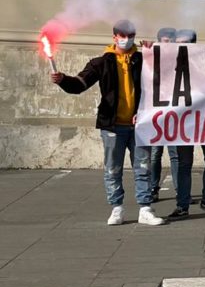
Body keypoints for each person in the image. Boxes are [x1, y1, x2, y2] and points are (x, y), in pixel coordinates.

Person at [51, 19, 165, 226]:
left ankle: (146, 209)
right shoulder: (101, 62)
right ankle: (117, 208)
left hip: (140, 125)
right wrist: (63, 80)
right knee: (113, 168)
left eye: (131, 36)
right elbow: (79, 84)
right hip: (112, 125)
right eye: (122, 36)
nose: (127, 40)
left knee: (143, 167)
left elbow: (166, 77)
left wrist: (155, 51)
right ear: (114, 37)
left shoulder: (143, 59)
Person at [166, 30, 205, 219]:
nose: (181, 46)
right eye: (178, 43)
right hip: (184, 122)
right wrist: (149, 51)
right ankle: (182, 204)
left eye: (185, 43)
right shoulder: (169, 63)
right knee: (184, 164)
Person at [147, 27, 177, 203]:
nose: (168, 45)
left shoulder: (180, 59)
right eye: (165, 41)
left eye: (171, 41)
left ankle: (181, 191)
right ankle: (152, 188)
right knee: (155, 154)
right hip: (156, 115)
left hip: (174, 115)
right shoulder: (151, 58)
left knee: (175, 155)